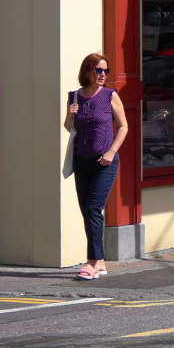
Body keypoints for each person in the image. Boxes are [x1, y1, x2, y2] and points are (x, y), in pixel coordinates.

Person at [64, 53, 128, 280]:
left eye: (105, 71)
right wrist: (70, 115)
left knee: (93, 209)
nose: (103, 75)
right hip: (81, 160)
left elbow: (124, 126)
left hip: (105, 162)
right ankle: (99, 262)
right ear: (88, 71)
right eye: (99, 70)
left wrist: (111, 152)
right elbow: (69, 127)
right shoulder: (74, 96)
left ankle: (92, 262)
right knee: (87, 211)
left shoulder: (110, 95)